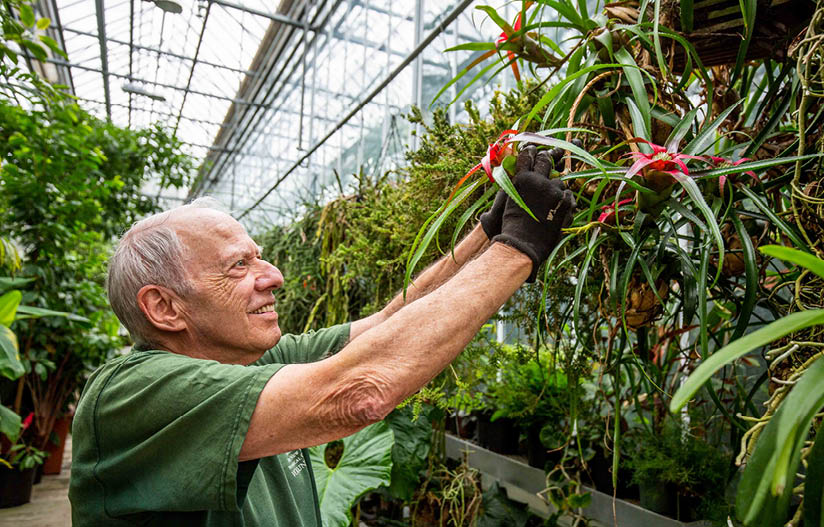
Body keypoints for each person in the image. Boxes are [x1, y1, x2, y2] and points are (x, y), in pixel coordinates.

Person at [68, 146, 576, 526]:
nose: (273, 276)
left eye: (258, 256)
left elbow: (386, 323)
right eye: (238, 265)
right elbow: (359, 392)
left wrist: (488, 234)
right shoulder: (133, 395)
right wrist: (519, 250)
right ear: (164, 307)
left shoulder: (250, 362)